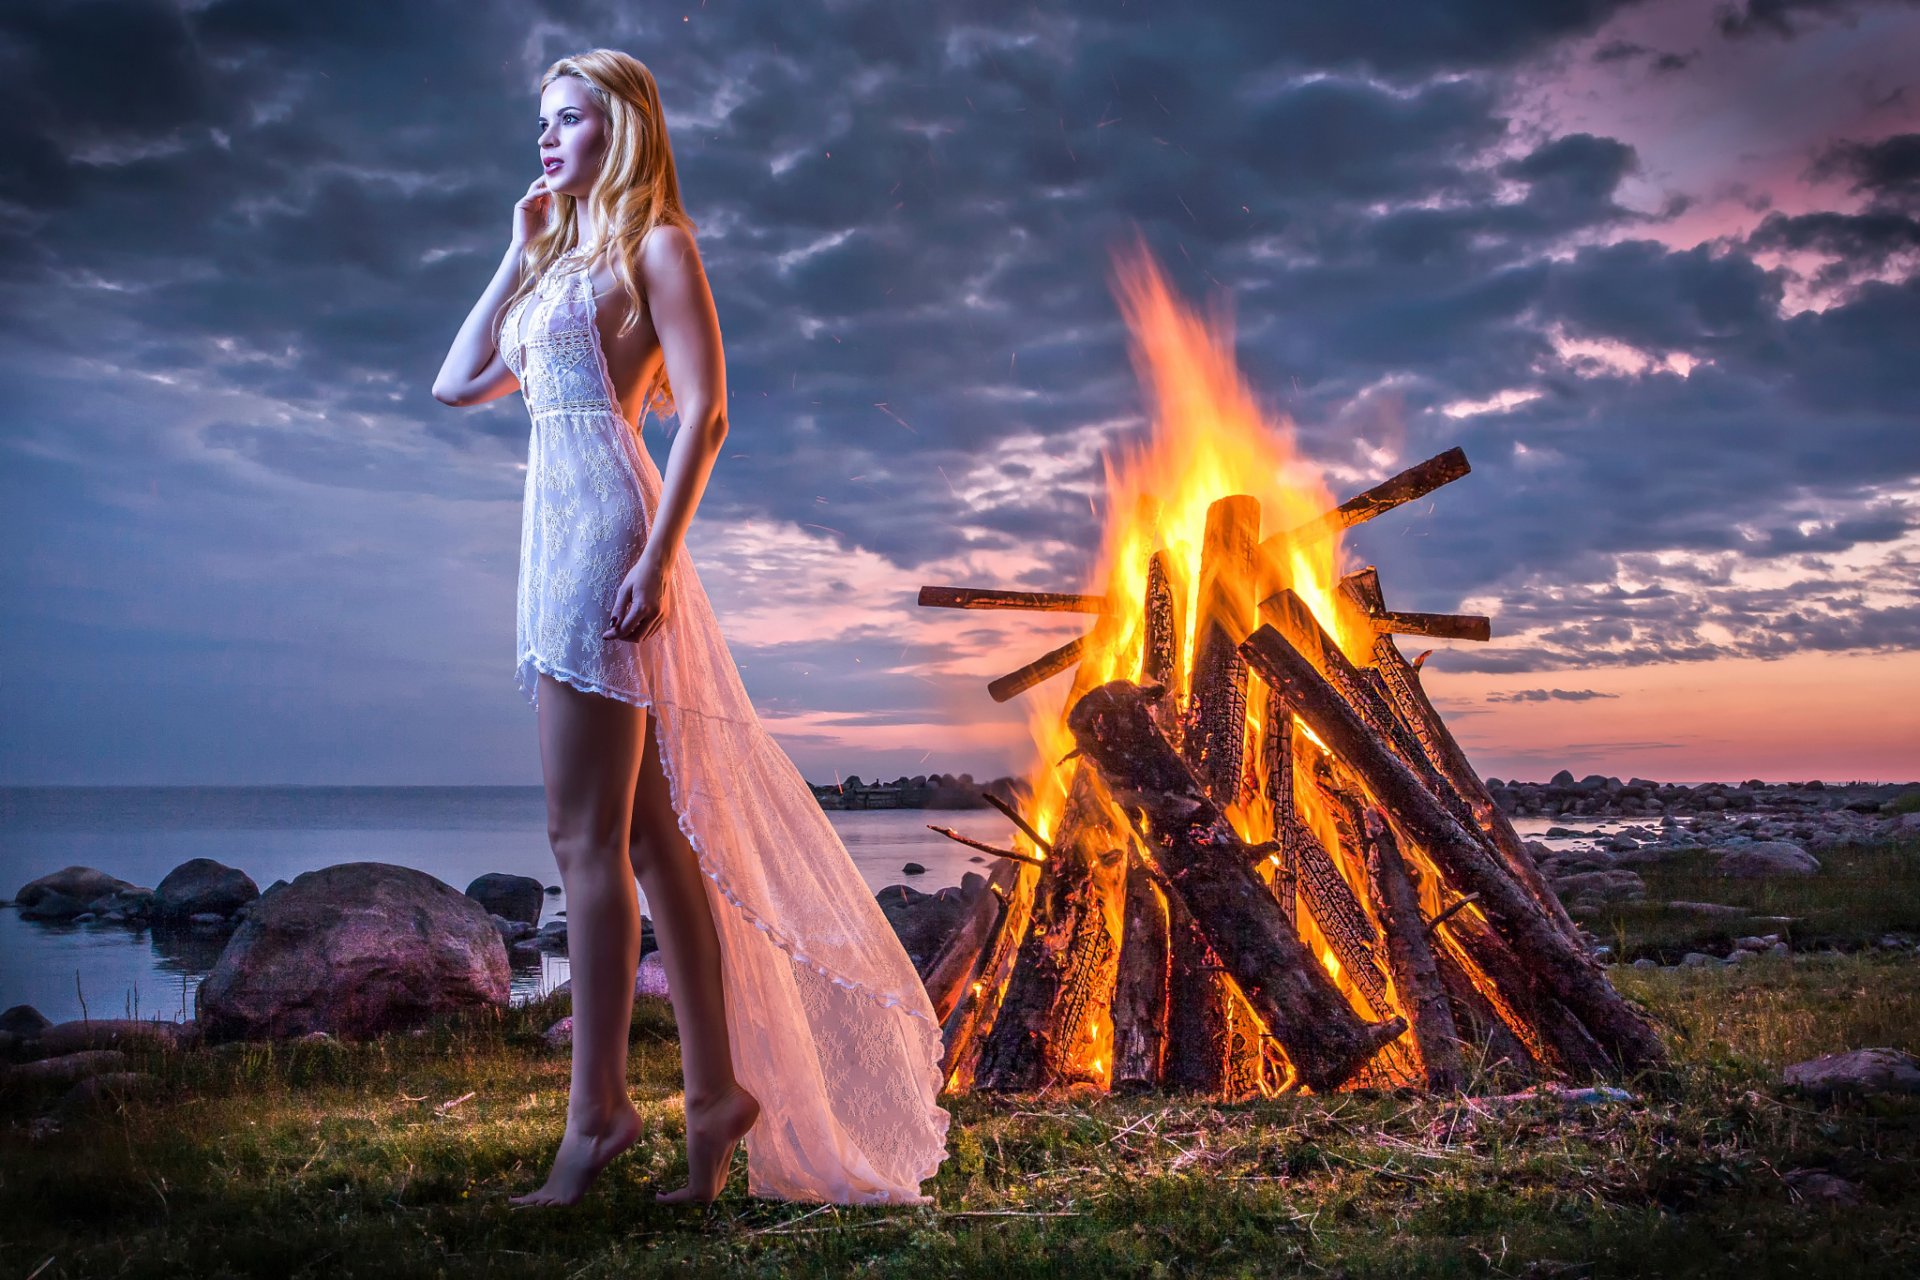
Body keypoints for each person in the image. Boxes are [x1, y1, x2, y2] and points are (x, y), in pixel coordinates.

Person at [431, 48, 950, 1207]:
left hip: (605, 541)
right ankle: (713, 1093)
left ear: (621, 125)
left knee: (583, 845)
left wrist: (658, 557)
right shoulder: (557, 255)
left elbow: (708, 411)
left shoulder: (655, 244)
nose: (547, 139)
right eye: (540, 121)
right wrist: (517, 247)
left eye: (568, 119)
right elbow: (456, 382)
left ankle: (597, 1116)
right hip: (553, 539)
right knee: (655, 841)